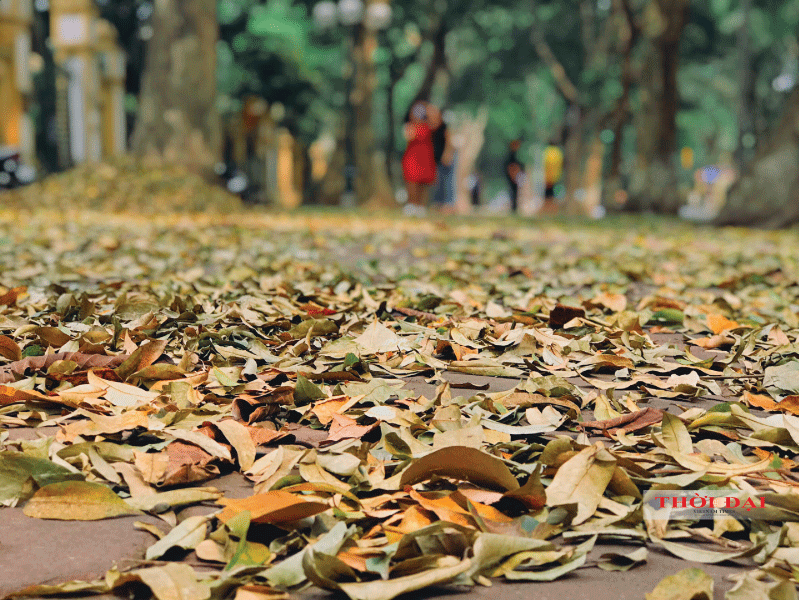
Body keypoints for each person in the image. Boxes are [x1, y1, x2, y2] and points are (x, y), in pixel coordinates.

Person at [402, 102, 437, 216]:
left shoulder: (428, 126)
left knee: (424, 182)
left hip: (425, 158)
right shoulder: (409, 127)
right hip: (413, 158)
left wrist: (428, 108)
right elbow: (408, 136)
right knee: (412, 181)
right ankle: (412, 204)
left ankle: (421, 206)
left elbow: (436, 121)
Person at [429, 106, 456, 213]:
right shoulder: (432, 127)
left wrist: (447, 154)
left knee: (448, 181)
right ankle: (439, 203)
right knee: (439, 182)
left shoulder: (444, 126)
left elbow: (449, 141)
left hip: (446, 157)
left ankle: (449, 204)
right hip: (438, 159)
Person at [504, 139, 524, 213]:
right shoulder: (511, 155)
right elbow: (511, 166)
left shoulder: (516, 154)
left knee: (515, 192)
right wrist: (513, 176)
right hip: (513, 176)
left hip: (515, 176)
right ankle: (513, 208)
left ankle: (515, 208)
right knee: (513, 192)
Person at [543, 143, 564, 211]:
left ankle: (549, 209)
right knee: (555, 195)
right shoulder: (558, 152)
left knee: (548, 195)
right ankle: (553, 209)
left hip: (549, 177)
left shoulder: (548, 151)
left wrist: (547, 177)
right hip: (557, 177)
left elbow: (547, 165)